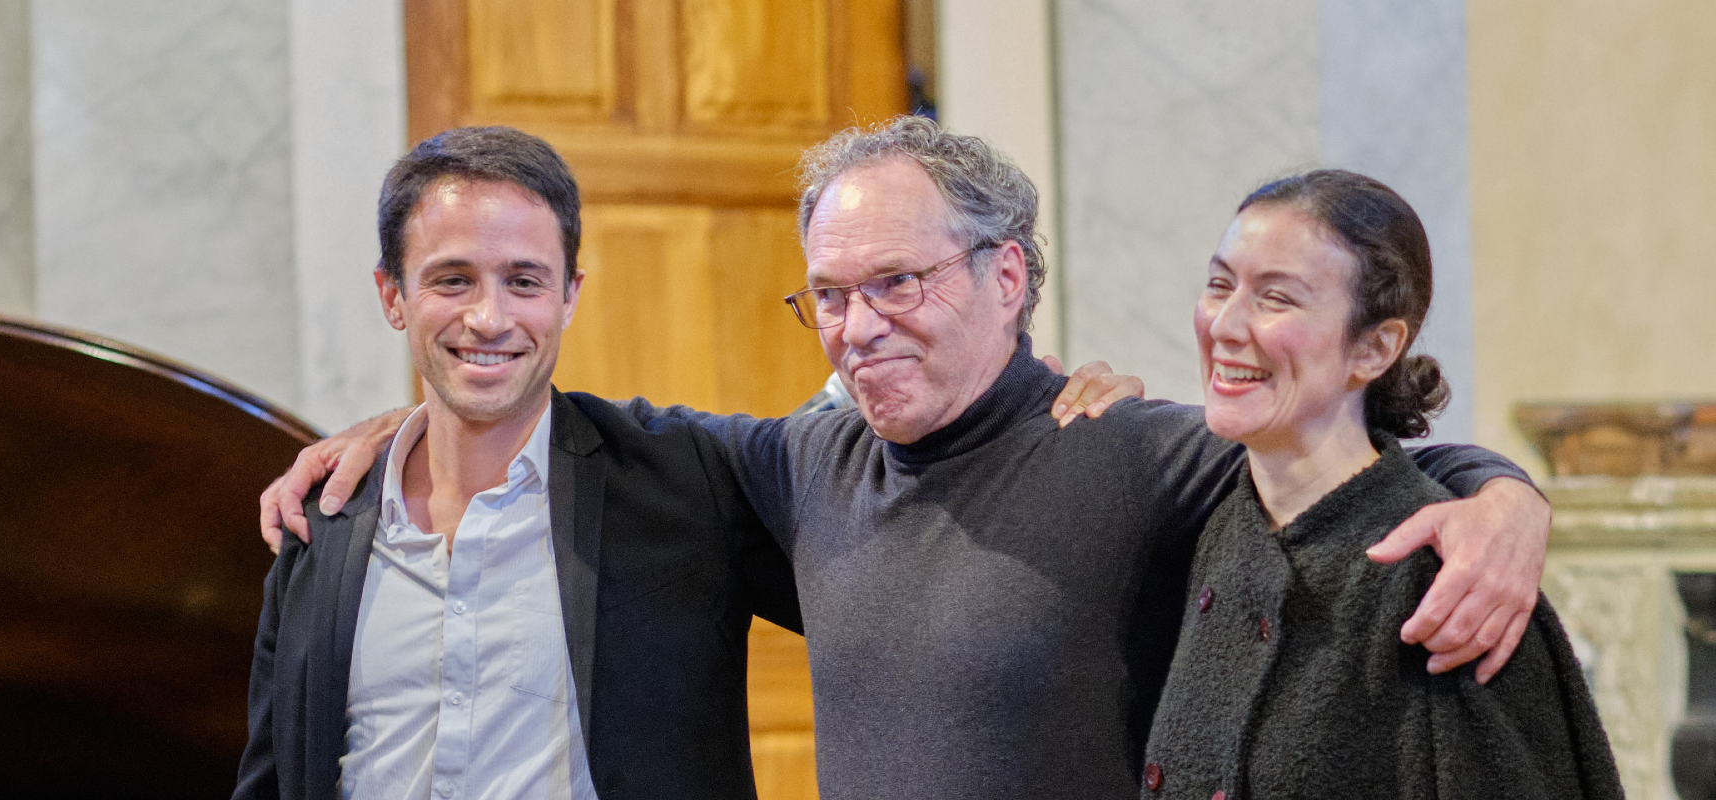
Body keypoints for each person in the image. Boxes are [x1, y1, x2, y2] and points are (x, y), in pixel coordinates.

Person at [266, 116, 1556, 799]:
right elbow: (541, 405)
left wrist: (1502, 496)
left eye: (895, 283)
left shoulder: (1129, 448)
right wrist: (399, 427)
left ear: (1007, 275)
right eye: (827, 294)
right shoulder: (799, 462)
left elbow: (1338, 462)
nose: (855, 326)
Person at [234, 126, 1139, 800]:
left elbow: (900, 457)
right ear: (393, 295)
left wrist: (1031, 402)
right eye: (450, 280)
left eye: (523, 280)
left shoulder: (682, 481)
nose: (488, 318)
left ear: (571, 294)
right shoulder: (327, 521)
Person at [1141, 170, 1619, 798]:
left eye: (1276, 298)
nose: (1226, 325)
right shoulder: (1212, 524)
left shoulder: (1449, 580)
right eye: (1219, 285)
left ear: (1375, 348)